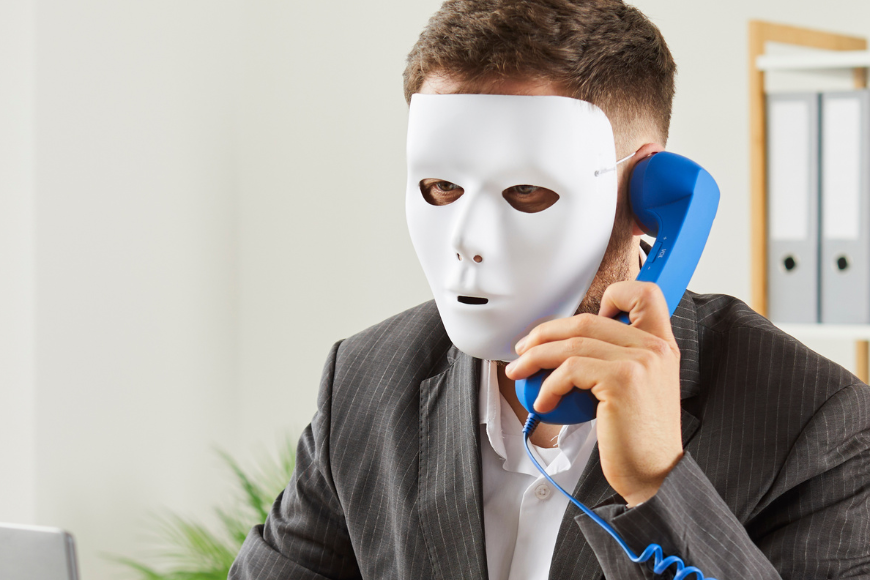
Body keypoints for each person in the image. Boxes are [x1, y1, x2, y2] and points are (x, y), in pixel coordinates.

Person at [229, 1, 870, 579]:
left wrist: (657, 483)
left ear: (645, 194)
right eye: (441, 188)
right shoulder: (366, 382)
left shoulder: (817, 422)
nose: (467, 239)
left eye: (526, 191)